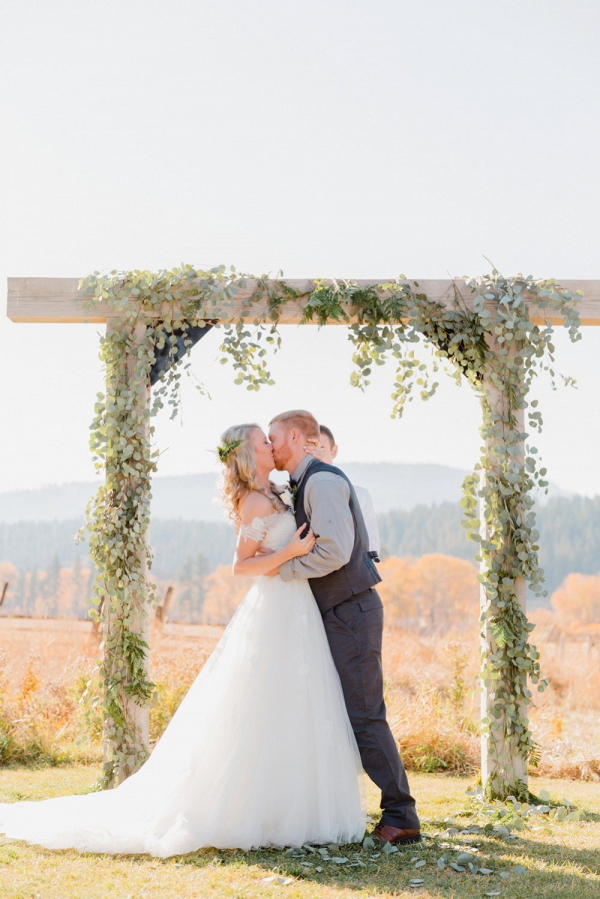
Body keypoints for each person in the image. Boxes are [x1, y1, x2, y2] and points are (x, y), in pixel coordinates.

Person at [0, 423, 367, 856]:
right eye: (262, 442)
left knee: (296, 703)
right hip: (275, 608)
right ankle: (254, 809)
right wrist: (289, 553)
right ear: (250, 455)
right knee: (263, 704)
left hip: (298, 608)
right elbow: (241, 567)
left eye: (271, 440)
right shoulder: (253, 501)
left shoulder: (274, 493)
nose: (270, 446)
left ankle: (294, 808)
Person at [268, 410, 420, 844]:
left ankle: (401, 815)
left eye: (275, 437)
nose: (272, 445)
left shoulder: (324, 482)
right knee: (346, 713)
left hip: (352, 611)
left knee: (365, 716)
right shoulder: (306, 482)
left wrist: (283, 569)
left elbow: (336, 552)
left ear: (295, 436)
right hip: (339, 612)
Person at [317, 424, 381, 558]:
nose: (316, 456)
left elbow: (371, 546)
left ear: (333, 451)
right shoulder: (293, 494)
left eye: (322, 449)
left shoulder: (360, 495)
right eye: (311, 451)